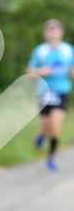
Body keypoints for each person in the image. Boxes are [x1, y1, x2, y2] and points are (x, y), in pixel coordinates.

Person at [26, 19, 74, 171]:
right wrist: (42, 71)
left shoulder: (68, 50)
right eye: (50, 29)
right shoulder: (40, 51)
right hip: (44, 92)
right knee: (45, 126)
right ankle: (41, 135)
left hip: (61, 92)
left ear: (61, 32)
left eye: (55, 28)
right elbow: (30, 71)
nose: (53, 31)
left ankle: (51, 158)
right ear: (46, 32)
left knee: (55, 127)